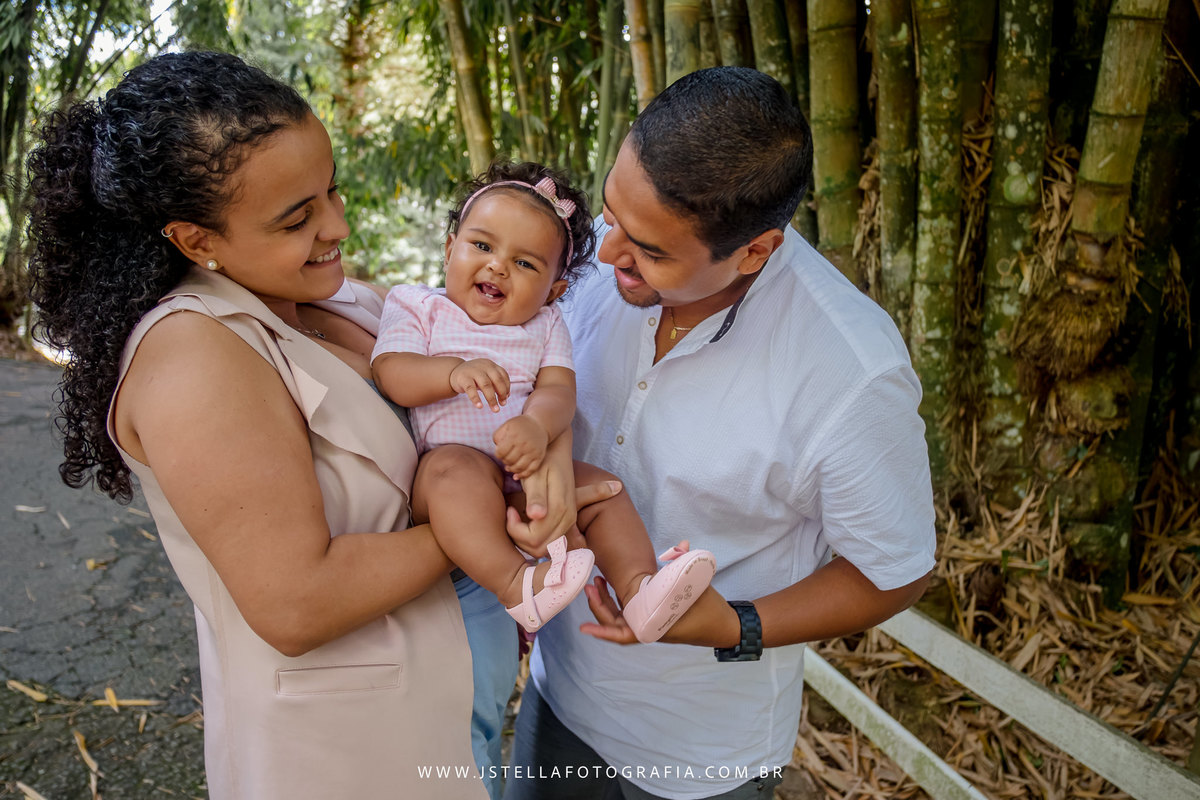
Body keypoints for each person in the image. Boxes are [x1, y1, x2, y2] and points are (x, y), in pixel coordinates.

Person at [24, 50, 617, 800]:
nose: (337, 223)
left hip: (442, 710)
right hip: (347, 754)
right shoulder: (194, 355)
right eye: (297, 216)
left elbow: (515, 382)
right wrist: (488, 521)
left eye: (329, 189)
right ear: (197, 240)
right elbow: (297, 602)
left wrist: (549, 454)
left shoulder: (337, 301)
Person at [504, 67, 938, 800]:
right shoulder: (586, 265)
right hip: (558, 695)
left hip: (703, 754)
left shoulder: (850, 370)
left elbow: (896, 569)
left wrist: (736, 625)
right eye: (611, 211)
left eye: (650, 249)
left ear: (755, 250)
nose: (607, 253)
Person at [372, 159, 717, 645]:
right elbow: (392, 374)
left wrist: (536, 426)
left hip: (528, 474)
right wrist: (452, 372)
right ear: (451, 249)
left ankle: (640, 591)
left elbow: (558, 391)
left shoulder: (545, 325)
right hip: (450, 471)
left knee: (607, 491)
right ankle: (518, 584)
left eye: (525, 263)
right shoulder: (419, 306)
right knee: (452, 473)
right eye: (482, 245)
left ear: (553, 290)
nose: (497, 266)